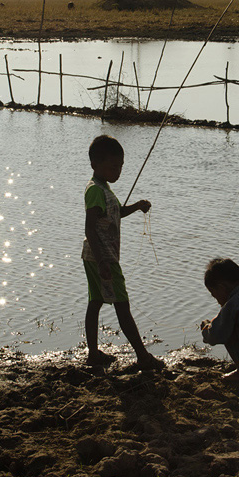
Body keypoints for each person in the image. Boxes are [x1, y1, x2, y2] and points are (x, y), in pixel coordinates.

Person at [82, 134, 165, 370]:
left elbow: (115, 213)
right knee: (122, 305)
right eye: (113, 166)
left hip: (98, 255)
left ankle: (93, 354)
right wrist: (102, 262)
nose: (118, 171)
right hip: (101, 256)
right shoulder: (95, 191)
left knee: (96, 301)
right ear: (95, 165)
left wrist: (137, 206)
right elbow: (89, 227)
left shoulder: (105, 189)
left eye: (120, 166)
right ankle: (143, 356)